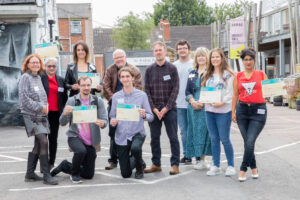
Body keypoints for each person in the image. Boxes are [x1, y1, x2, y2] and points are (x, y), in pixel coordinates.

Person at [50, 76, 107, 184]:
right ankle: (74, 174)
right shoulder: (72, 100)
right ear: (79, 86)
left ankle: (65, 166)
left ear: (91, 86)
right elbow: (62, 122)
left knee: (88, 175)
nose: (86, 87)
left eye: (88, 85)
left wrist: (103, 123)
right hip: (75, 136)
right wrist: (65, 113)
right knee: (81, 151)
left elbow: (104, 119)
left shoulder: (97, 101)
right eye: (83, 85)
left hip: (91, 141)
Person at [18, 54, 58, 185]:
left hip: (41, 116)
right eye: (32, 62)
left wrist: (45, 107)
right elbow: (24, 98)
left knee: (37, 144)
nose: (35, 64)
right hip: (31, 115)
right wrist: (41, 107)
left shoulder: (38, 78)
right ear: (27, 64)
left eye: (37, 62)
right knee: (44, 141)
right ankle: (46, 175)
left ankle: (29, 174)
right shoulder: (25, 77)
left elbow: (42, 96)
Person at [109, 67, 154, 179]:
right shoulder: (116, 96)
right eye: (122, 77)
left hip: (137, 133)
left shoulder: (142, 95)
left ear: (133, 78)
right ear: (120, 79)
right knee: (125, 174)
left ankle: (139, 168)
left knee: (135, 148)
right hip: (122, 136)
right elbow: (112, 115)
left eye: (128, 76)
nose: (125, 79)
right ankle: (140, 161)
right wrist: (113, 121)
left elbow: (151, 117)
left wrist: (144, 115)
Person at [144, 41, 180, 175]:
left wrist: (166, 108)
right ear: (153, 52)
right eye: (156, 50)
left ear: (165, 51)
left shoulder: (172, 68)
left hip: (169, 109)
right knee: (154, 138)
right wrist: (153, 109)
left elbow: (175, 89)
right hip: (154, 110)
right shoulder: (149, 70)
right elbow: (146, 91)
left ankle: (175, 164)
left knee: (173, 138)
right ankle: (156, 164)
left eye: (160, 50)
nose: (158, 52)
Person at [103, 49, 142, 170]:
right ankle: (113, 160)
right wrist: (113, 99)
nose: (118, 60)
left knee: (130, 132)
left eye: (120, 57)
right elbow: (106, 86)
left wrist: (131, 103)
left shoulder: (135, 70)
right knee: (113, 132)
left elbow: (139, 88)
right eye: (116, 58)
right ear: (113, 59)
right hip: (115, 105)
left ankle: (132, 157)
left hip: (130, 107)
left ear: (125, 57)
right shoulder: (110, 70)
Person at [232, 47, 268, 182]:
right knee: (248, 141)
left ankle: (243, 169)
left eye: (250, 59)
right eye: (245, 60)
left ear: (254, 61)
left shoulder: (261, 74)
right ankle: (254, 167)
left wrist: (281, 88)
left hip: (258, 111)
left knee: (250, 140)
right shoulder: (238, 76)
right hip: (242, 111)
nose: (248, 62)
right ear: (242, 61)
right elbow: (235, 94)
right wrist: (233, 112)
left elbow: (270, 90)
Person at [202, 48, 236, 176]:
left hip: (223, 111)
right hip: (209, 111)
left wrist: (222, 102)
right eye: (212, 57)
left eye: (217, 57)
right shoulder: (207, 74)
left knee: (225, 139)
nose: (215, 59)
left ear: (222, 58)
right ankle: (216, 165)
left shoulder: (229, 74)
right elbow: (205, 92)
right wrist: (206, 100)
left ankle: (231, 166)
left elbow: (231, 93)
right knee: (213, 139)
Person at [185, 47, 212, 170]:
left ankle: (203, 159)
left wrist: (202, 101)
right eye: (198, 56)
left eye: (203, 55)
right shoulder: (192, 72)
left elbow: (213, 90)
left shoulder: (211, 72)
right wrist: (192, 101)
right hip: (192, 106)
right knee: (194, 131)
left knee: (204, 132)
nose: (200, 58)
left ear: (207, 57)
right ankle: (196, 158)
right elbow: (187, 91)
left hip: (206, 105)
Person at [41, 58, 68, 169]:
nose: (51, 68)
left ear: (56, 68)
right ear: (45, 67)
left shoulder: (60, 80)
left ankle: (51, 162)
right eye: (49, 66)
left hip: (56, 113)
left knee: (53, 139)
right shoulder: (40, 79)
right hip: (43, 113)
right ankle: (43, 164)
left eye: (54, 66)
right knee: (42, 140)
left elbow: (65, 95)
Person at [173, 40, 193, 164]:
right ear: (177, 51)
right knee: (183, 130)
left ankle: (197, 154)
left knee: (195, 129)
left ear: (188, 49)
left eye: (184, 48)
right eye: (180, 48)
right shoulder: (174, 66)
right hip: (179, 103)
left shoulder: (194, 64)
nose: (182, 50)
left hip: (193, 102)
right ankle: (187, 154)